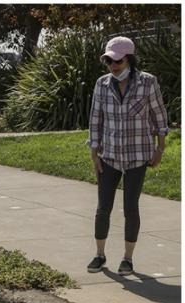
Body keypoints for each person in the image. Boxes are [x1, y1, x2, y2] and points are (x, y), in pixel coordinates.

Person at [86, 36, 169, 276]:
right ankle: (99, 255)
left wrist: (159, 149)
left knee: (131, 208)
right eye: (109, 61)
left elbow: (159, 118)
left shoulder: (147, 83)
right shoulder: (102, 84)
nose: (113, 66)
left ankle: (127, 259)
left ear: (129, 59)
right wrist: (94, 155)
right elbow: (95, 121)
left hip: (137, 155)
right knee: (103, 207)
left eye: (118, 61)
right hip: (109, 155)